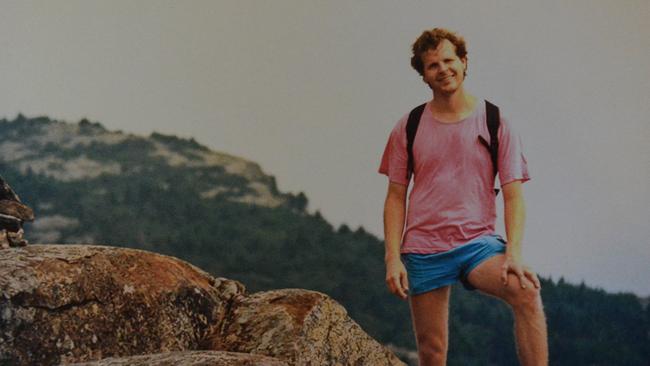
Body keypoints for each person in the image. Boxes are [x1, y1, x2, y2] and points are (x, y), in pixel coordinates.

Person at [379, 28, 548, 365]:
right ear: (424, 75)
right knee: (432, 353)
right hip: (425, 248)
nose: (443, 69)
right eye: (432, 65)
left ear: (464, 62)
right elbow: (396, 196)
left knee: (526, 292)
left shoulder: (495, 121)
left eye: (448, 60)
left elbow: (513, 196)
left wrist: (513, 253)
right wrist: (392, 258)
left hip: (477, 244)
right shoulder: (408, 126)